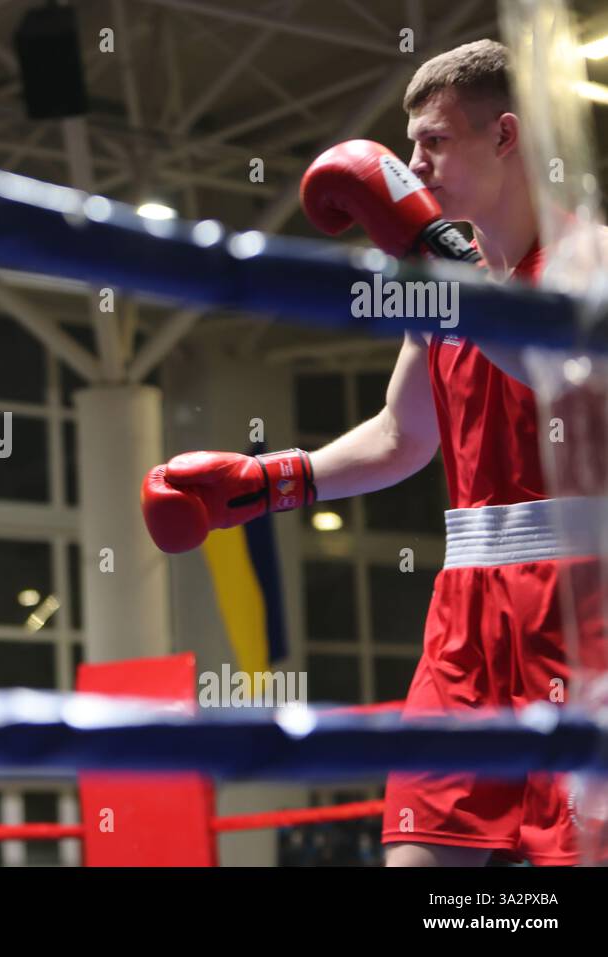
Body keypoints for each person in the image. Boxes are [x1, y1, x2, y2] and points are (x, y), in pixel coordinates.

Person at [142, 40, 596, 866]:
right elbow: (402, 434)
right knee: (419, 857)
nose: (414, 166)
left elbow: (550, 368)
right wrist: (267, 482)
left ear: (506, 136)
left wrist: (434, 256)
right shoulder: (439, 284)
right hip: (465, 613)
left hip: (582, 606)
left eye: (435, 142)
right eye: (408, 147)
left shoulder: (590, 256)